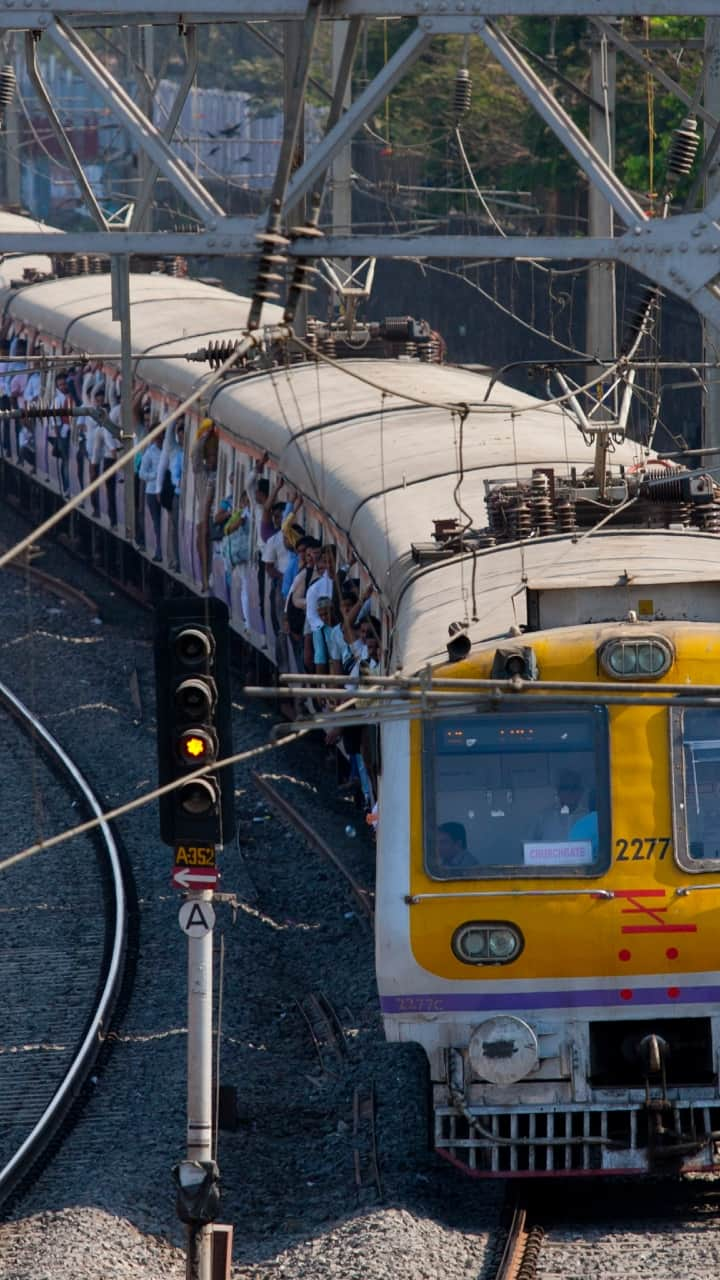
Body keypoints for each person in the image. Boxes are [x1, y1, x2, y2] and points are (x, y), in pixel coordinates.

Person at [533, 770, 587, 842]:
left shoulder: (589, 817)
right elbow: (528, 846)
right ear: (558, 791)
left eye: (574, 787)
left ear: (581, 791)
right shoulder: (543, 818)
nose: (570, 792)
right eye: (565, 787)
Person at [139, 428, 164, 561]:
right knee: (157, 522)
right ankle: (158, 550)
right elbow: (142, 473)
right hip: (152, 492)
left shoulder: (167, 451)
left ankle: (163, 551)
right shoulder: (149, 453)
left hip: (165, 492)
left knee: (164, 523)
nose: (159, 438)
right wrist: (155, 476)